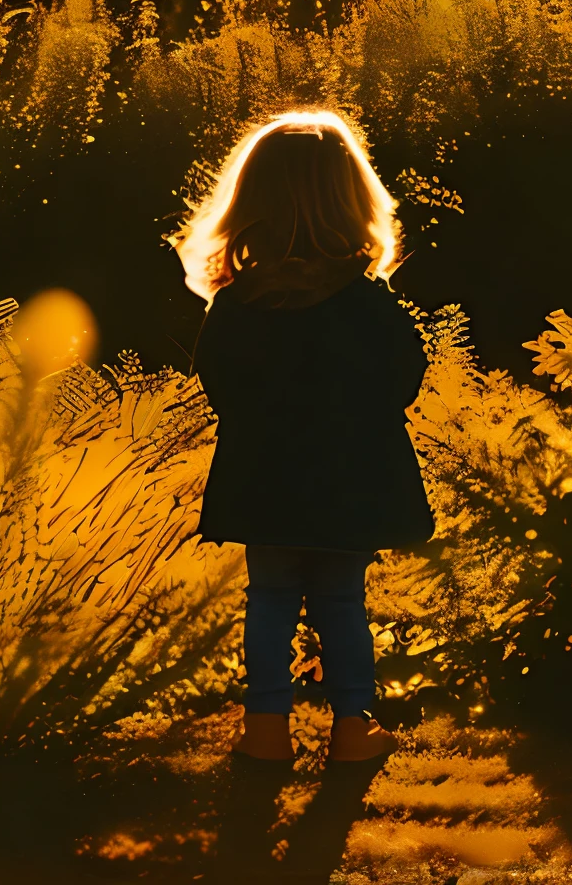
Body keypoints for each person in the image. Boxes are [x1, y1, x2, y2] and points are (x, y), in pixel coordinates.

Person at [172, 111, 434, 762]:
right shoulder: (367, 302)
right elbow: (404, 378)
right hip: (349, 478)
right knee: (343, 598)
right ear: (351, 198)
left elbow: (218, 380)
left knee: (270, 597)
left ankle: (265, 731)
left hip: (264, 479)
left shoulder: (239, 303)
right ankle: (353, 729)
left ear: (252, 199)